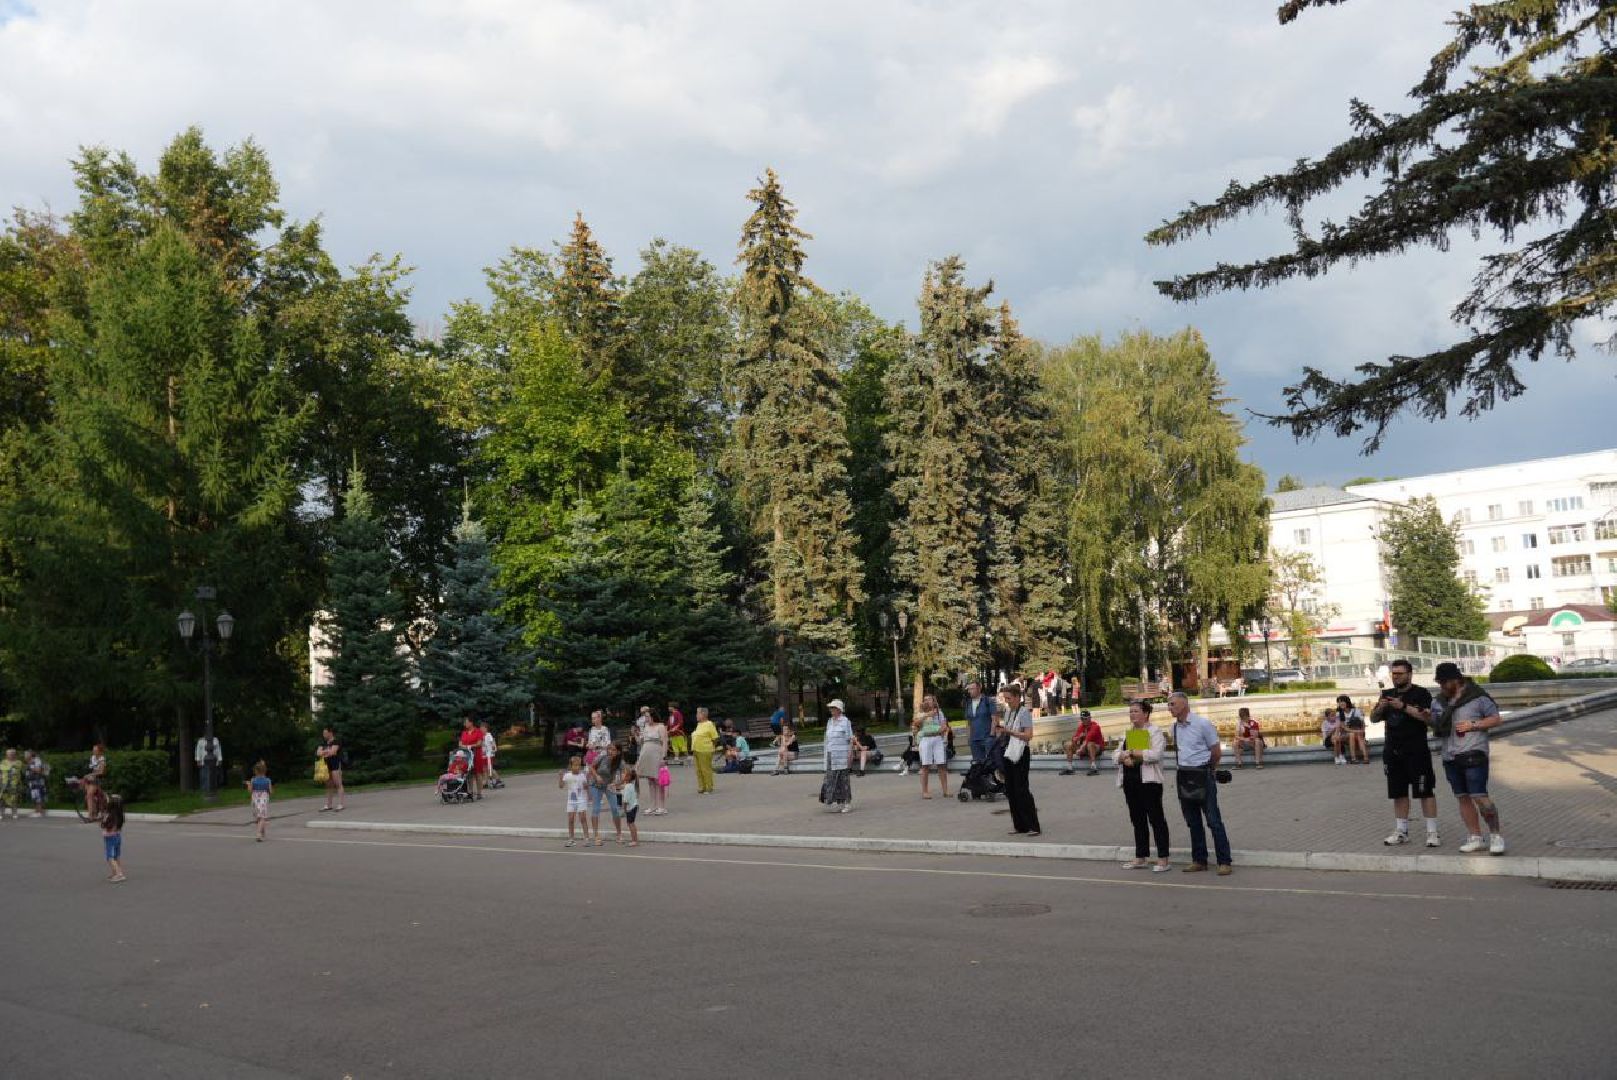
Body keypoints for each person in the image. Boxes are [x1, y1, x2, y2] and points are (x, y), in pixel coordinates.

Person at [1434, 661, 1507, 855]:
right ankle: (1475, 836)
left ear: (1455, 680)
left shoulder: (1477, 697)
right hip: (1450, 755)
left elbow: (1496, 718)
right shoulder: (1440, 700)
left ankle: (1496, 836)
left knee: (1479, 796)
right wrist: (1425, 716)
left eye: (1444, 683)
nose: (1441, 687)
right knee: (1462, 797)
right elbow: (1435, 723)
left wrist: (1473, 724)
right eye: (1439, 683)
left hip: (1474, 752)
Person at [1372, 659, 1441, 848]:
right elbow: (1373, 718)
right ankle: (1401, 831)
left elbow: (1427, 718)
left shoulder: (1421, 693)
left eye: (1400, 673)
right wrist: (1381, 707)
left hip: (1416, 750)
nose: (1396, 677)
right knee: (1398, 792)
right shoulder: (1386, 694)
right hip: (1393, 751)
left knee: (1425, 790)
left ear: (1410, 674)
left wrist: (1402, 706)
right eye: (1393, 674)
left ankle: (1432, 832)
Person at [1167, 691, 1232, 875]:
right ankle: (1199, 860)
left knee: (1213, 820)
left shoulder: (1202, 724)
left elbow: (1216, 751)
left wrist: (1209, 770)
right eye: (1169, 705)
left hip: (1203, 775)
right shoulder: (1174, 728)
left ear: (1184, 705)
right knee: (1193, 822)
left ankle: (1224, 861)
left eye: (1172, 704)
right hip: (1184, 777)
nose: (1169, 708)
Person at [1115, 701, 1172, 872]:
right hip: (1130, 782)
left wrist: (1132, 753)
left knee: (1156, 820)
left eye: (1136, 711)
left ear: (1146, 713)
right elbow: (1116, 754)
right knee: (1137, 820)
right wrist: (1123, 756)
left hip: (1149, 782)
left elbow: (1155, 754)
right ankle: (1141, 856)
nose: (1132, 714)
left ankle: (1163, 858)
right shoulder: (1128, 733)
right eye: (1130, 711)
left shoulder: (1154, 732)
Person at [995, 684, 1040, 836]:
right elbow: (1008, 731)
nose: (1007, 701)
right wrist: (1002, 731)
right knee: (1011, 789)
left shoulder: (1024, 712)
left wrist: (1009, 732)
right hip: (1008, 752)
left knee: (1022, 789)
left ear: (1017, 697)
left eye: (1009, 698)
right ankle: (1020, 825)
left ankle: (1033, 825)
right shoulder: (1008, 712)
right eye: (1005, 698)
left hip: (1020, 753)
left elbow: (1028, 735)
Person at [912, 694, 951, 799]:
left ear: (934, 701)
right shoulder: (921, 713)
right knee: (925, 766)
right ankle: (925, 791)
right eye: (925, 700)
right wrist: (927, 715)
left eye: (929, 699)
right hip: (926, 739)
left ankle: (945, 791)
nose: (927, 701)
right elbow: (916, 723)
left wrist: (942, 729)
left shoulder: (939, 712)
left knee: (941, 765)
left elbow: (944, 725)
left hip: (937, 739)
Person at [586, 743, 625, 846]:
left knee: (615, 808)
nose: (610, 752)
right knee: (596, 808)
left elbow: (624, 776)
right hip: (595, 784)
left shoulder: (620, 762)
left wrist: (616, 784)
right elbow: (592, 767)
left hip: (608, 785)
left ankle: (619, 834)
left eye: (613, 750)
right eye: (609, 749)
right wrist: (597, 776)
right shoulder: (602, 757)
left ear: (618, 752)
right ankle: (596, 836)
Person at [820, 699, 855, 812]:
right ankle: (835, 801)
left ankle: (847, 803)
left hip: (842, 755)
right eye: (830, 708)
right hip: (831, 754)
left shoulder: (845, 721)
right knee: (830, 779)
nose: (831, 710)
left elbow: (850, 739)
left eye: (833, 708)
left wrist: (850, 754)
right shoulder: (830, 721)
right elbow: (827, 739)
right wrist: (826, 754)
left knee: (843, 779)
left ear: (839, 709)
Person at [636, 709, 668, 812]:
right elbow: (640, 741)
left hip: (656, 753)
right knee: (650, 780)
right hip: (645, 753)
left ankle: (661, 806)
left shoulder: (661, 726)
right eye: (645, 717)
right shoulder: (646, 727)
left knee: (658, 780)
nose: (646, 719)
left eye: (648, 716)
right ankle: (652, 805)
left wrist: (663, 756)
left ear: (653, 716)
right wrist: (636, 734)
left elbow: (664, 741)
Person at [1060, 710, 1106, 775]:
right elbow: (1074, 738)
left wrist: (1081, 749)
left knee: (1090, 744)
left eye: (1085, 719)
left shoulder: (1095, 726)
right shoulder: (1081, 726)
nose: (1083, 720)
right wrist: (1078, 738)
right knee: (1068, 744)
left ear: (1090, 718)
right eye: (1082, 719)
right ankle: (1069, 768)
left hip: (1096, 748)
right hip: (1084, 748)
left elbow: (1088, 738)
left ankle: (1093, 767)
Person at [559, 755, 589, 848]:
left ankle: (586, 839)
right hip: (571, 801)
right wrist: (560, 777)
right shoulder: (567, 775)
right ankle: (571, 839)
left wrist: (586, 785)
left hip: (581, 800)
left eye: (579, 765)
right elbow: (561, 786)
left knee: (583, 819)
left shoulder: (582, 775)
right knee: (571, 819)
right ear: (571, 766)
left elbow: (586, 787)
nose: (577, 767)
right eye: (575, 765)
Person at [963, 680, 996, 763]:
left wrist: (991, 736)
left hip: (987, 737)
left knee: (990, 763)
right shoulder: (968, 703)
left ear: (979, 689)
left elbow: (994, 719)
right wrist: (969, 737)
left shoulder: (988, 701)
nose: (969, 691)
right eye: (969, 689)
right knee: (977, 765)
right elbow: (968, 722)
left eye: (972, 689)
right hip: (974, 740)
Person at [690, 707, 719, 794]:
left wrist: (712, 746)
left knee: (705, 769)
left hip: (705, 750)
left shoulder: (709, 724)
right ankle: (701, 786)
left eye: (698, 713)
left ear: (703, 714)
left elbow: (715, 737)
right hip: (696, 749)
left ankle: (709, 787)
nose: (696, 716)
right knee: (698, 770)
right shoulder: (699, 724)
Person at [317, 726, 345, 812]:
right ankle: (328, 805)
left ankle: (340, 804)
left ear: (330, 733)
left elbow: (333, 752)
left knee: (338, 784)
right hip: (326, 766)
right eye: (323, 733)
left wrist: (324, 752)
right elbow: (318, 753)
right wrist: (326, 752)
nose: (324, 734)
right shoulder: (323, 743)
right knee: (329, 785)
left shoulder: (336, 741)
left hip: (335, 764)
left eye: (325, 733)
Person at [101, 794, 127, 883]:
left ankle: (119, 874)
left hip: (110, 838)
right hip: (117, 837)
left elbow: (108, 826)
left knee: (110, 857)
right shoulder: (118, 814)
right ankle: (115, 873)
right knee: (116, 856)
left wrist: (104, 824)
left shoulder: (111, 815)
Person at [1337, 695, 1369, 765]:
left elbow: (1362, 723)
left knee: (1357, 734)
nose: (1341, 703)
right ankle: (1354, 758)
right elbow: (1345, 728)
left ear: (1347, 702)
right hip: (1344, 734)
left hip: (1357, 732)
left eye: (1342, 701)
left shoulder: (1356, 711)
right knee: (1352, 734)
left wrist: (1362, 731)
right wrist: (1358, 731)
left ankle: (1365, 758)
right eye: (1339, 702)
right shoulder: (1339, 714)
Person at [459, 718, 486, 799]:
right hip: (467, 756)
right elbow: (460, 744)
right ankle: (470, 792)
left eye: (466, 722)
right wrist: (467, 747)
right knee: (469, 774)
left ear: (471, 722)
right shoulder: (464, 733)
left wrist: (468, 746)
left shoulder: (478, 731)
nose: (464, 724)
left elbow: (479, 743)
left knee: (478, 774)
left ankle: (479, 793)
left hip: (476, 755)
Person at [246, 761, 273, 842]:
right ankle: (259, 834)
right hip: (263, 800)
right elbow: (270, 792)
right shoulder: (268, 780)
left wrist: (248, 784)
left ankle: (262, 832)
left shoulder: (253, 780)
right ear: (265, 771)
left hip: (255, 801)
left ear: (255, 771)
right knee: (263, 817)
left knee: (259, 818)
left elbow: (250, 791)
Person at [617, 766, 641, 847]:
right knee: (631, 823)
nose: (622, 774)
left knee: (631, 824)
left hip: (630, 808)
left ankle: (635, 840)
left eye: (624, 773)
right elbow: (620, 788)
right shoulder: (630, 785)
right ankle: (635, 840)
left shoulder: (627, 787)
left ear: (628, 777)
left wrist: (624, 811)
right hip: (633, 806)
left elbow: (625, 801)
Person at [480, 720, 504, 789]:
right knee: (484, 769)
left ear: (486, 729)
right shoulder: (481, 736)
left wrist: (493, 749)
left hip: (489, 755)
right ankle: (485, 782)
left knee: (490, 769)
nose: (481, 730)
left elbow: (492, 743)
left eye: (483, 728)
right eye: (481, 728)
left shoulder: (488, 735)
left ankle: (498, 780)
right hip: (483, 755)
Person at [26, 750, 49, 818]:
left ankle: (39, 812)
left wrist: (30, 767)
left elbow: (39, 770)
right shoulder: (32, 761)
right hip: (33, 782)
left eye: (26, 755)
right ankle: (37, 811)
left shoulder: (36, 760)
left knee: (38, 797)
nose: (25, 756)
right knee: (35, 797)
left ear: (30, 755)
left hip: (37, 782)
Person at [0, 748, 21, 820]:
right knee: (2, 799)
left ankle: (14, 813)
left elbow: (15, 769)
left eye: (11, 754)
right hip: (4, 783)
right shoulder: (3, 761)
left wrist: (7, 768)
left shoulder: (18, 762)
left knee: (14, 799)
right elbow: (2, 770)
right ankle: (1, 814)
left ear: (14, 755)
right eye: (8, 754)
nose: (9, 755)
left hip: (14, 783)